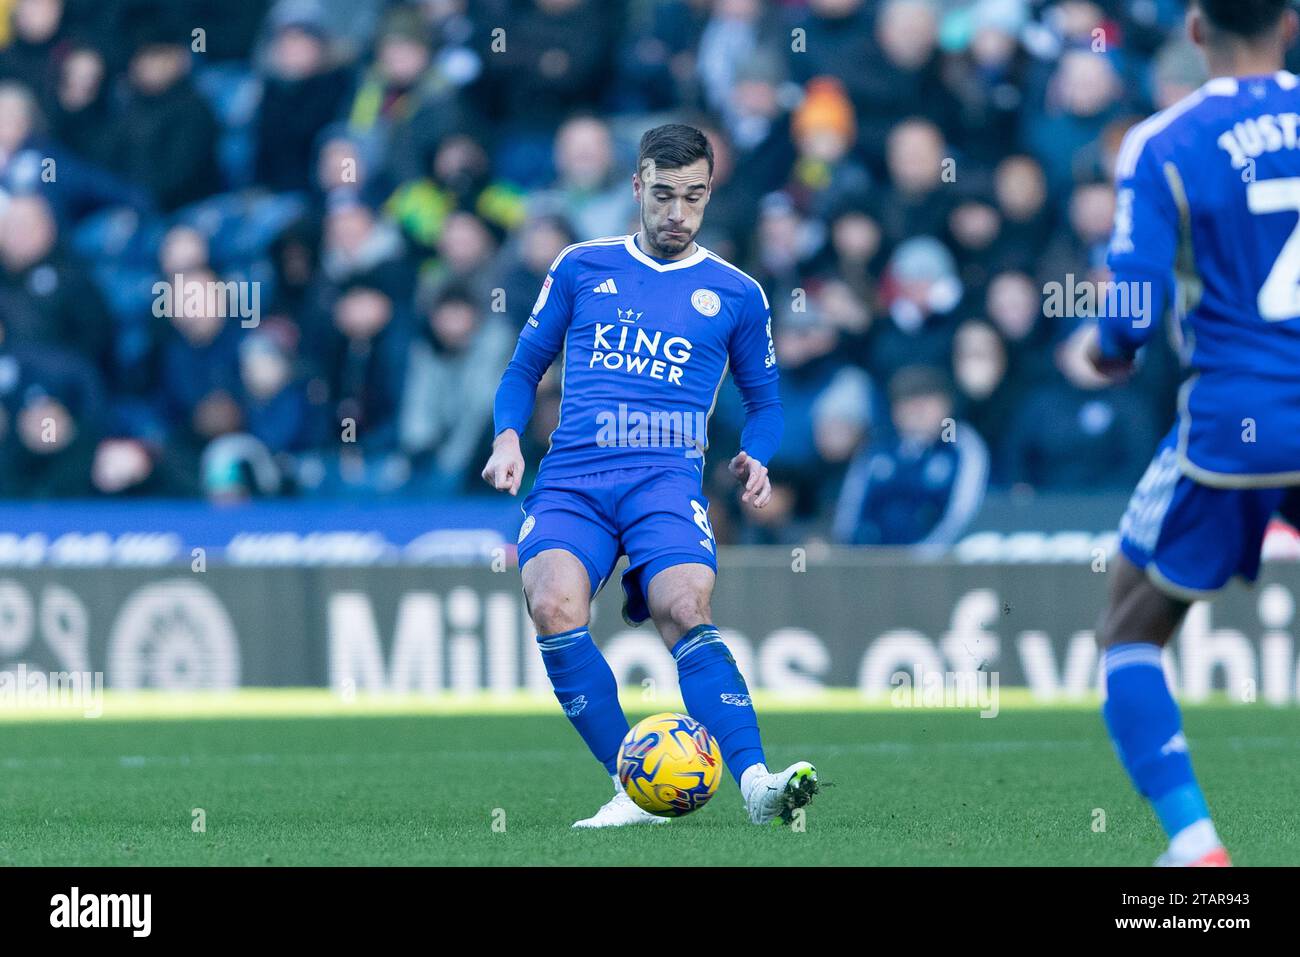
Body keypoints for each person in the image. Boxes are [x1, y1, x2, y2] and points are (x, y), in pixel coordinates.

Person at [482, 124, 817, 828]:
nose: (677, 214)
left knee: (684, 607)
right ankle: (632, 788)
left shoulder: (737, 293)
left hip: (664, 482)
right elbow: (523, 366)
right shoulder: (581, 265)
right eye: (663, 195)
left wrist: (758, 453)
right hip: (573, 478)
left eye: (693, 197)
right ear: (636, 187)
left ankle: (756, 783)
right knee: (551, 605)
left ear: (708, 194)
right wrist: (509, 435)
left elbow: (766, 401)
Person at [1083, 0, 1300, 867]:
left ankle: (1198, 845)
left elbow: (1132, 309)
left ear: (1198, 29)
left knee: (1129, 630)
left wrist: (1108, 351)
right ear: (1288, 24)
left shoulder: (1164, 141)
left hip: (1236, 427)